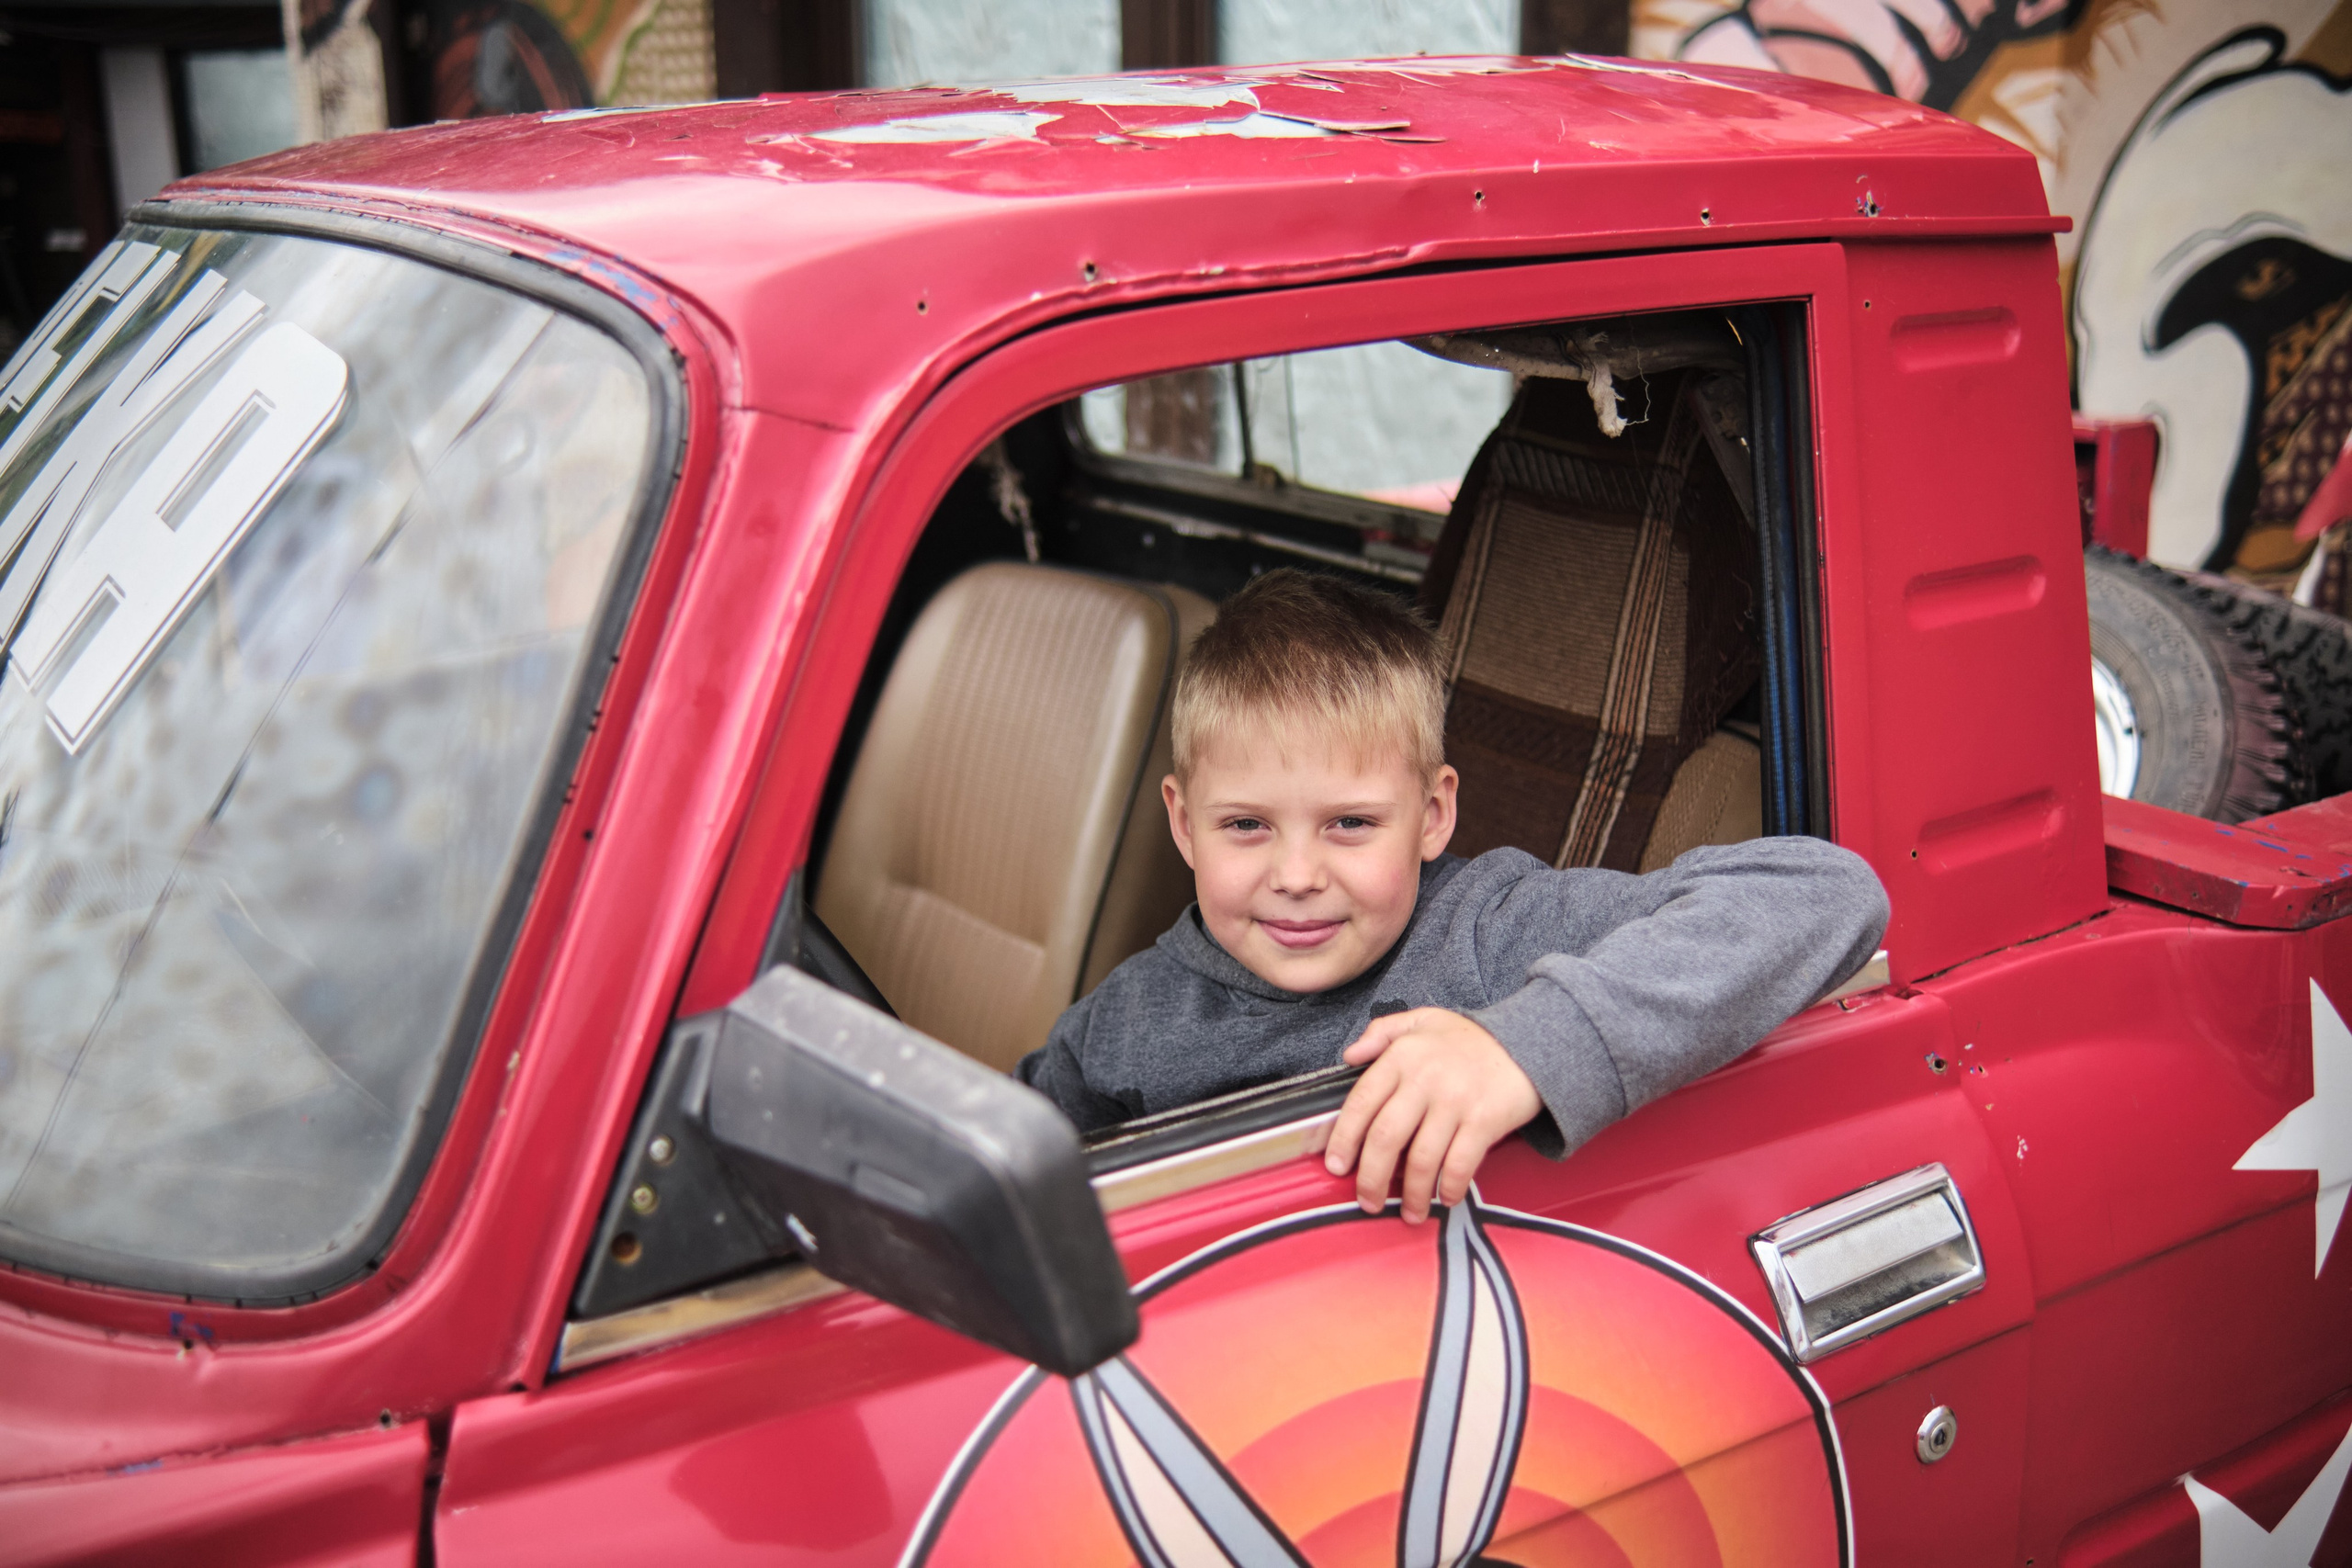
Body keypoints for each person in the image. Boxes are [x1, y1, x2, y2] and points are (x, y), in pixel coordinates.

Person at [1014, 569, 1889, 1222]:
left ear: (1432, 816)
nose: (1295, 874)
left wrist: (1518, 1048)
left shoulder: (1486, 930)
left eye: (1350, 824)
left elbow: (1824, 890)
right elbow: (1008, 1164)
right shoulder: (1126, 1019)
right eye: (1245, 826)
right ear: (1183, 824)